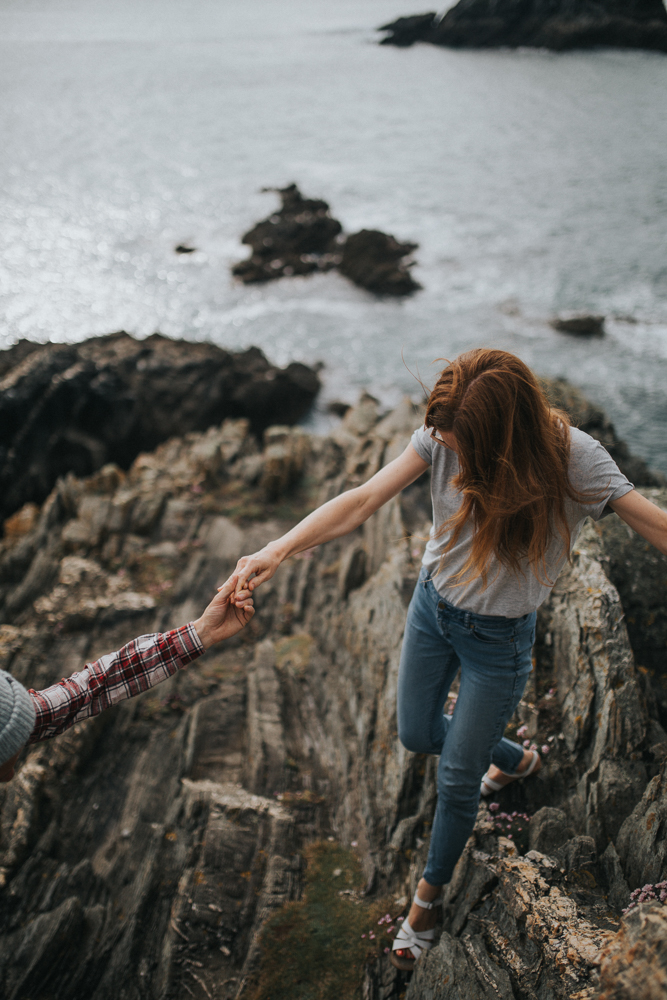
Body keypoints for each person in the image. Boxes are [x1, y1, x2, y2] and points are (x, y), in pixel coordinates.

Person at [228, 348, 667, 971]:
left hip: (500, 643)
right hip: (432, 611)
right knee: (416, 733)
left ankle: (425, 904)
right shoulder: (442, 436)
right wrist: (278, 548)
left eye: (463, 449)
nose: (450, 460)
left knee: (457, 780)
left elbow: (655, 525)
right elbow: (361, 499)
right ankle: (514, 757)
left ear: (503, 440)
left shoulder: (576, 459)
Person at [0, 575, 254, 784]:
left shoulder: (15, 716)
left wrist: (202, 632)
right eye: (19, 736)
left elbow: (96, 685)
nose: (24, 734)